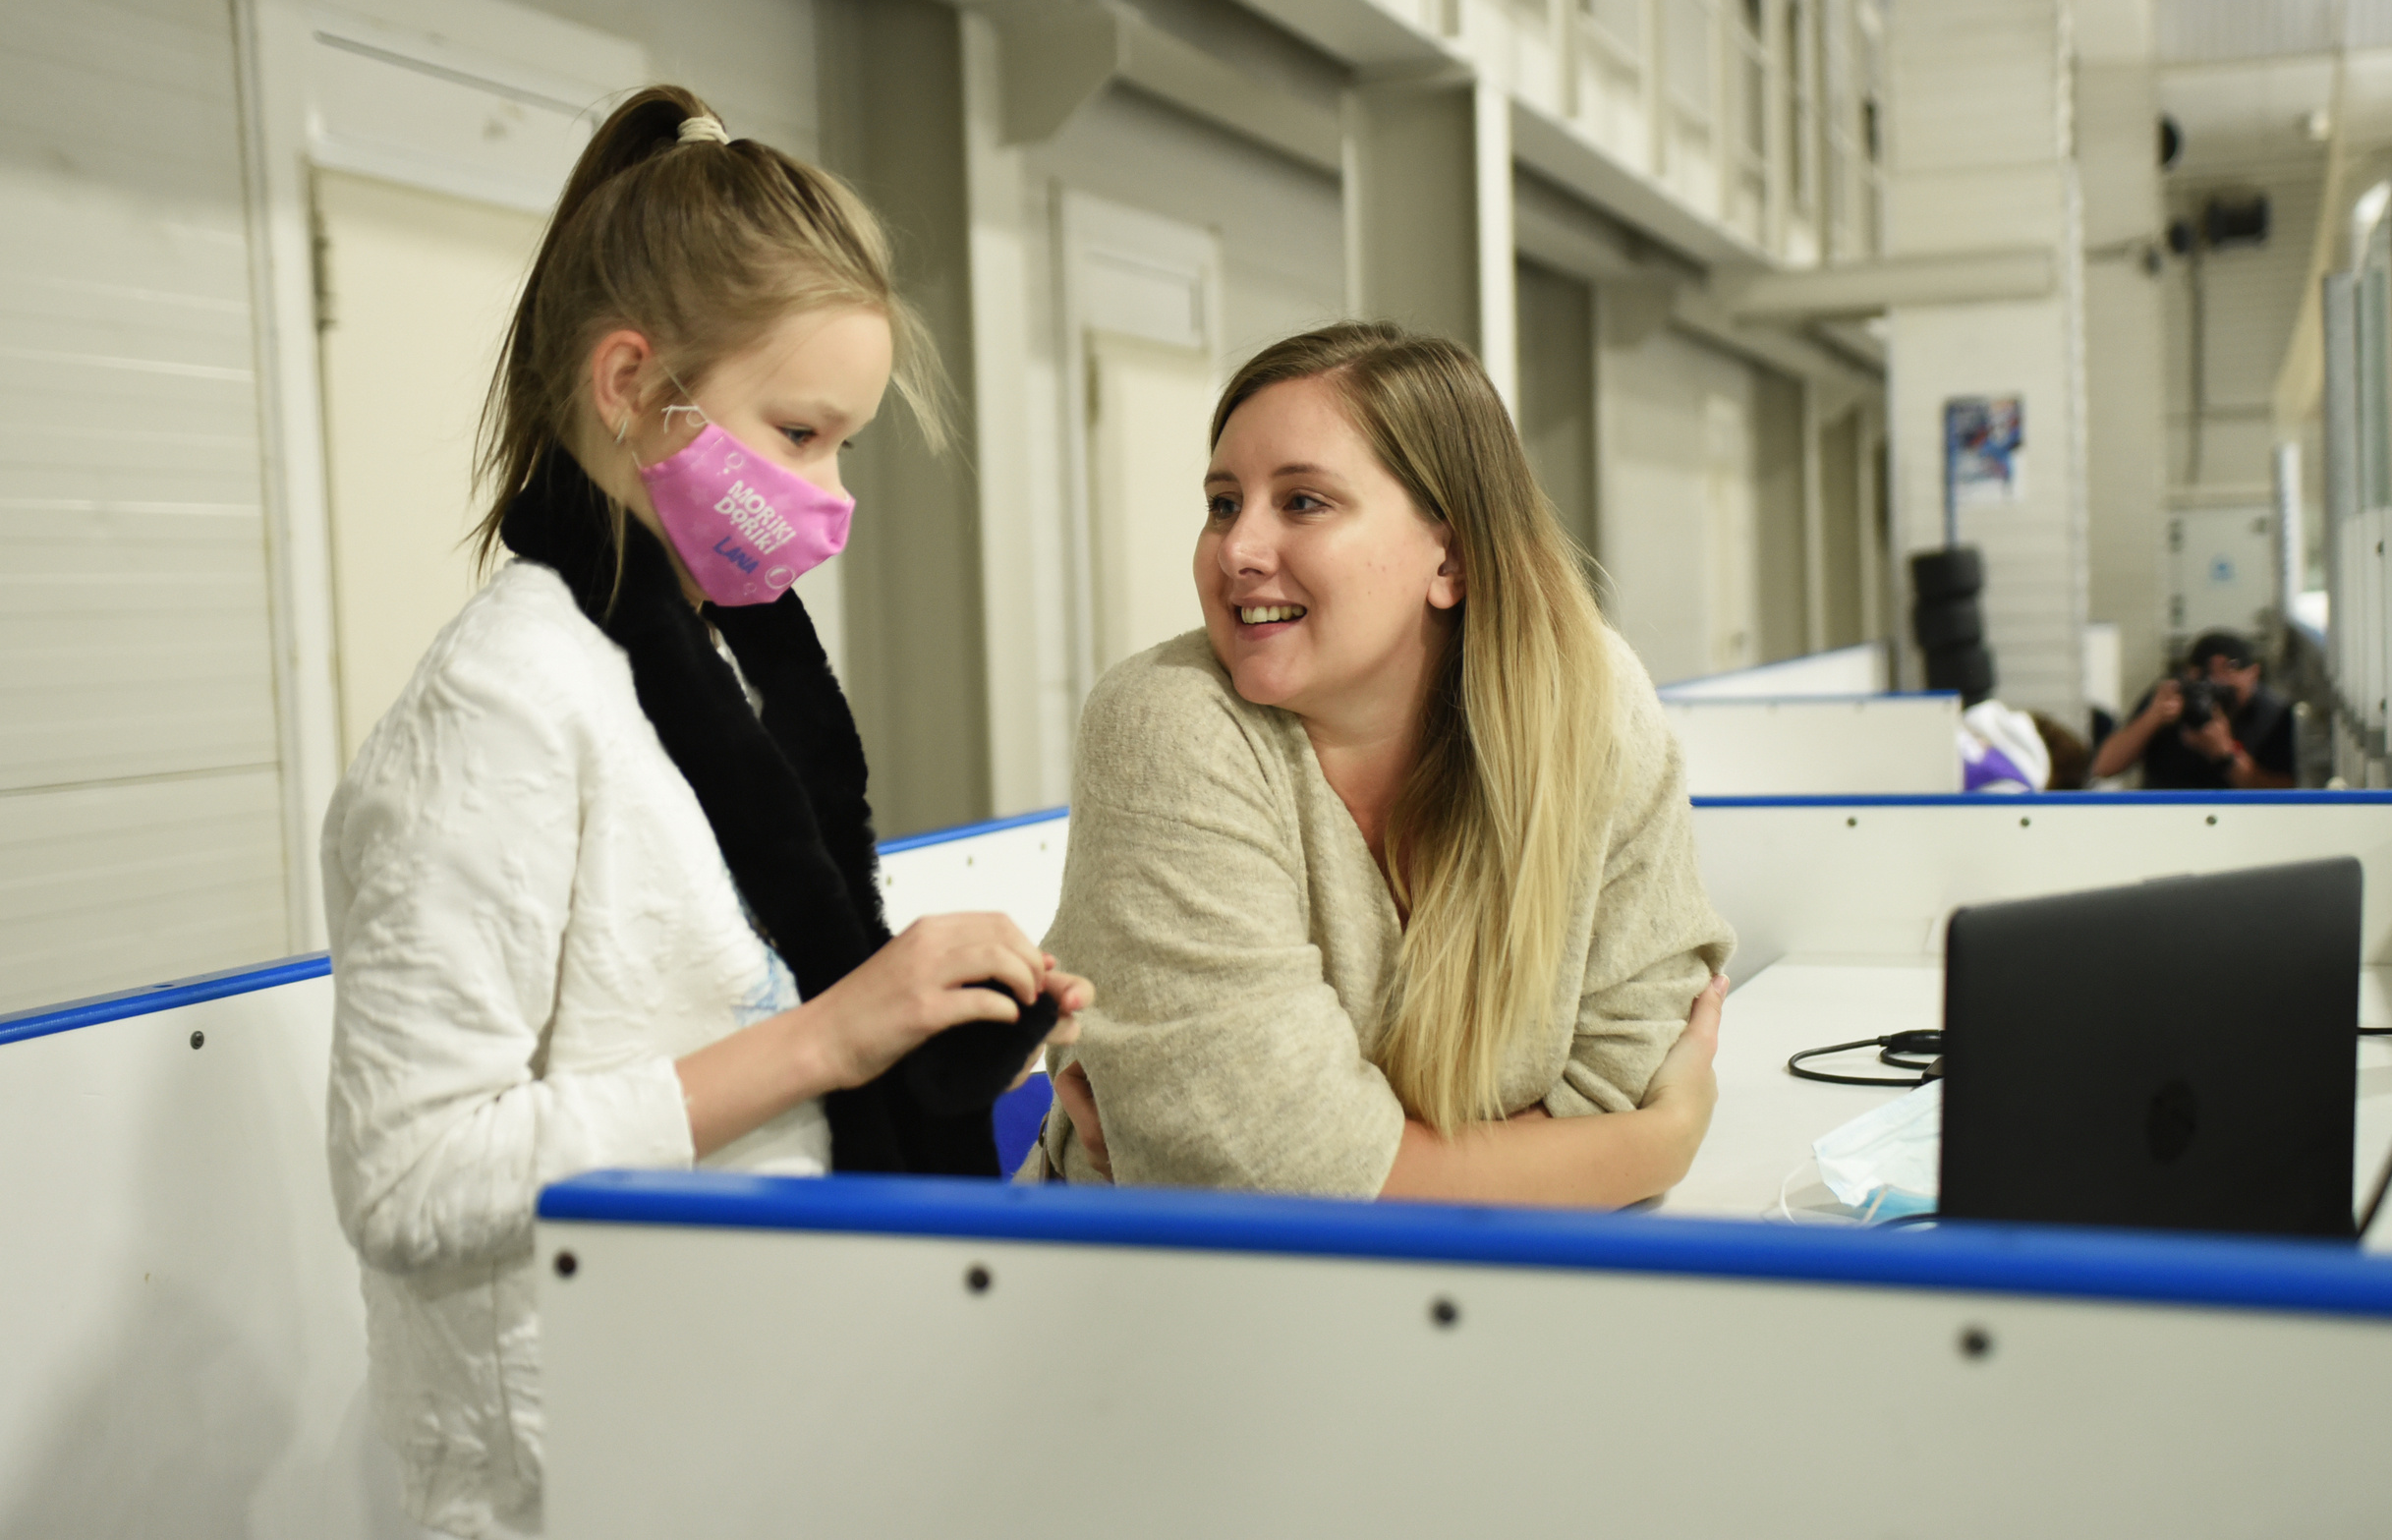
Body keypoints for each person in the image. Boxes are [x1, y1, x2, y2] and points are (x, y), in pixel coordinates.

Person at [322, 87, 1091, 1540]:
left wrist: (935, 1033)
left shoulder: (717, 670)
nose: (830, 495)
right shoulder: (500, 708)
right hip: (584, 1471)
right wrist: (833, 1032)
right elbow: (410, 1176)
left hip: (757, 1413)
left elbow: (697, 1026)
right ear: (632, 385)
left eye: (846, 443)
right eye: (800, 433)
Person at [1027, 323, 1735, 1206]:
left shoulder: (1588, 703)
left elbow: (1624, 1057)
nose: (1237, 549)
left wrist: (1369, 1155)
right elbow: (1270, 1178)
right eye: (1222, 503)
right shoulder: (1165, 726)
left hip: (1518, 1293)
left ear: (1453, 556)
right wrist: (1654, 1145)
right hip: (1171, 1307)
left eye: (1303, 502)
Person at [2087, 630, 2297, 790]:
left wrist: (2227, 756)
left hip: (2239, 821)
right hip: (2168, 813)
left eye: (2229, 672)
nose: (2217, 690)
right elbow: (2104, 767)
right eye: (2206, 682)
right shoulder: (2172, 697)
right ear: (2188, 675)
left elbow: (2284, 792)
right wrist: (2153, 717)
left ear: (2253, 673)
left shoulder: (2271, 715)